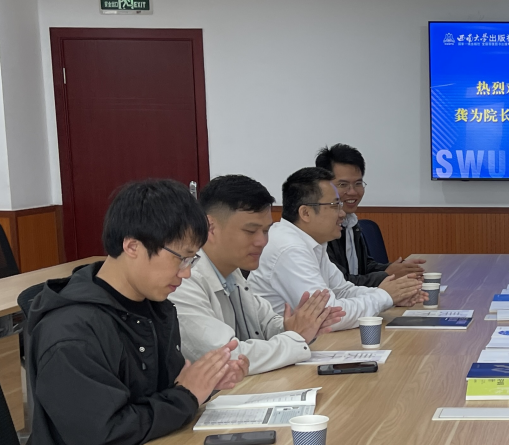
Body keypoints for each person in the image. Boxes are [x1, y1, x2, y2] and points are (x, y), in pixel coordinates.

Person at [18, 180, 249, 445]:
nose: (186, 273)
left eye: (192, 260)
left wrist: (206, 382)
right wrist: (187, 396)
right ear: (132, 247)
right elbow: (104, 436)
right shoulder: (70, 333)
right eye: (181, 258)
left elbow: (168, 390)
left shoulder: (154, 307)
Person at [171, 174, 345, 375]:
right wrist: (296, 337)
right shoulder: (183, 280)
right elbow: (227, 357)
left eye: (266, 231)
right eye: (250, 231)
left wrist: (298, 325)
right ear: (210, 227)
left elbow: (267, 325)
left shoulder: (233, 272)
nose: (262, 241)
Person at [249, 167, 424, 327]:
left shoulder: (312, 242)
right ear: (306, 213)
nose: (342, 213)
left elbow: (343, 291)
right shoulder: (289, 248)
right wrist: (384, 296)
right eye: (335, 205)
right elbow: (327, 315)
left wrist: (392, 295)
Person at [315, 144, 426, 286]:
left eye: (358, 183)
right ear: (323, 185)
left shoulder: (350, 221)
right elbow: (339, 284)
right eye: (343, 184)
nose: (353, 192)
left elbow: (363, 267)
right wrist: (387, 275)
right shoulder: (319, 229)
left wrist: (397, 269)